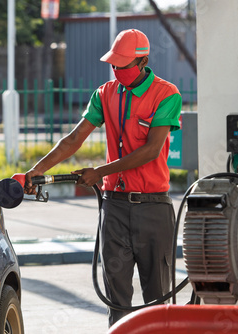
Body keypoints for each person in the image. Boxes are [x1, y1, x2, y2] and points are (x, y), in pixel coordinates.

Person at [24, 29, 182, 326]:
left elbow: (150, 151)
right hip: (115, 209)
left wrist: (100, 172)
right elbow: (74, 139)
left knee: (157, 300)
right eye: (114, 64)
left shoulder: (166, 94)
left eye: (123, 65)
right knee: (116, 298)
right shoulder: (105, 93)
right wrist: (38, 169)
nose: (117, 70)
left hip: (153, 209)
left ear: (143, 60)